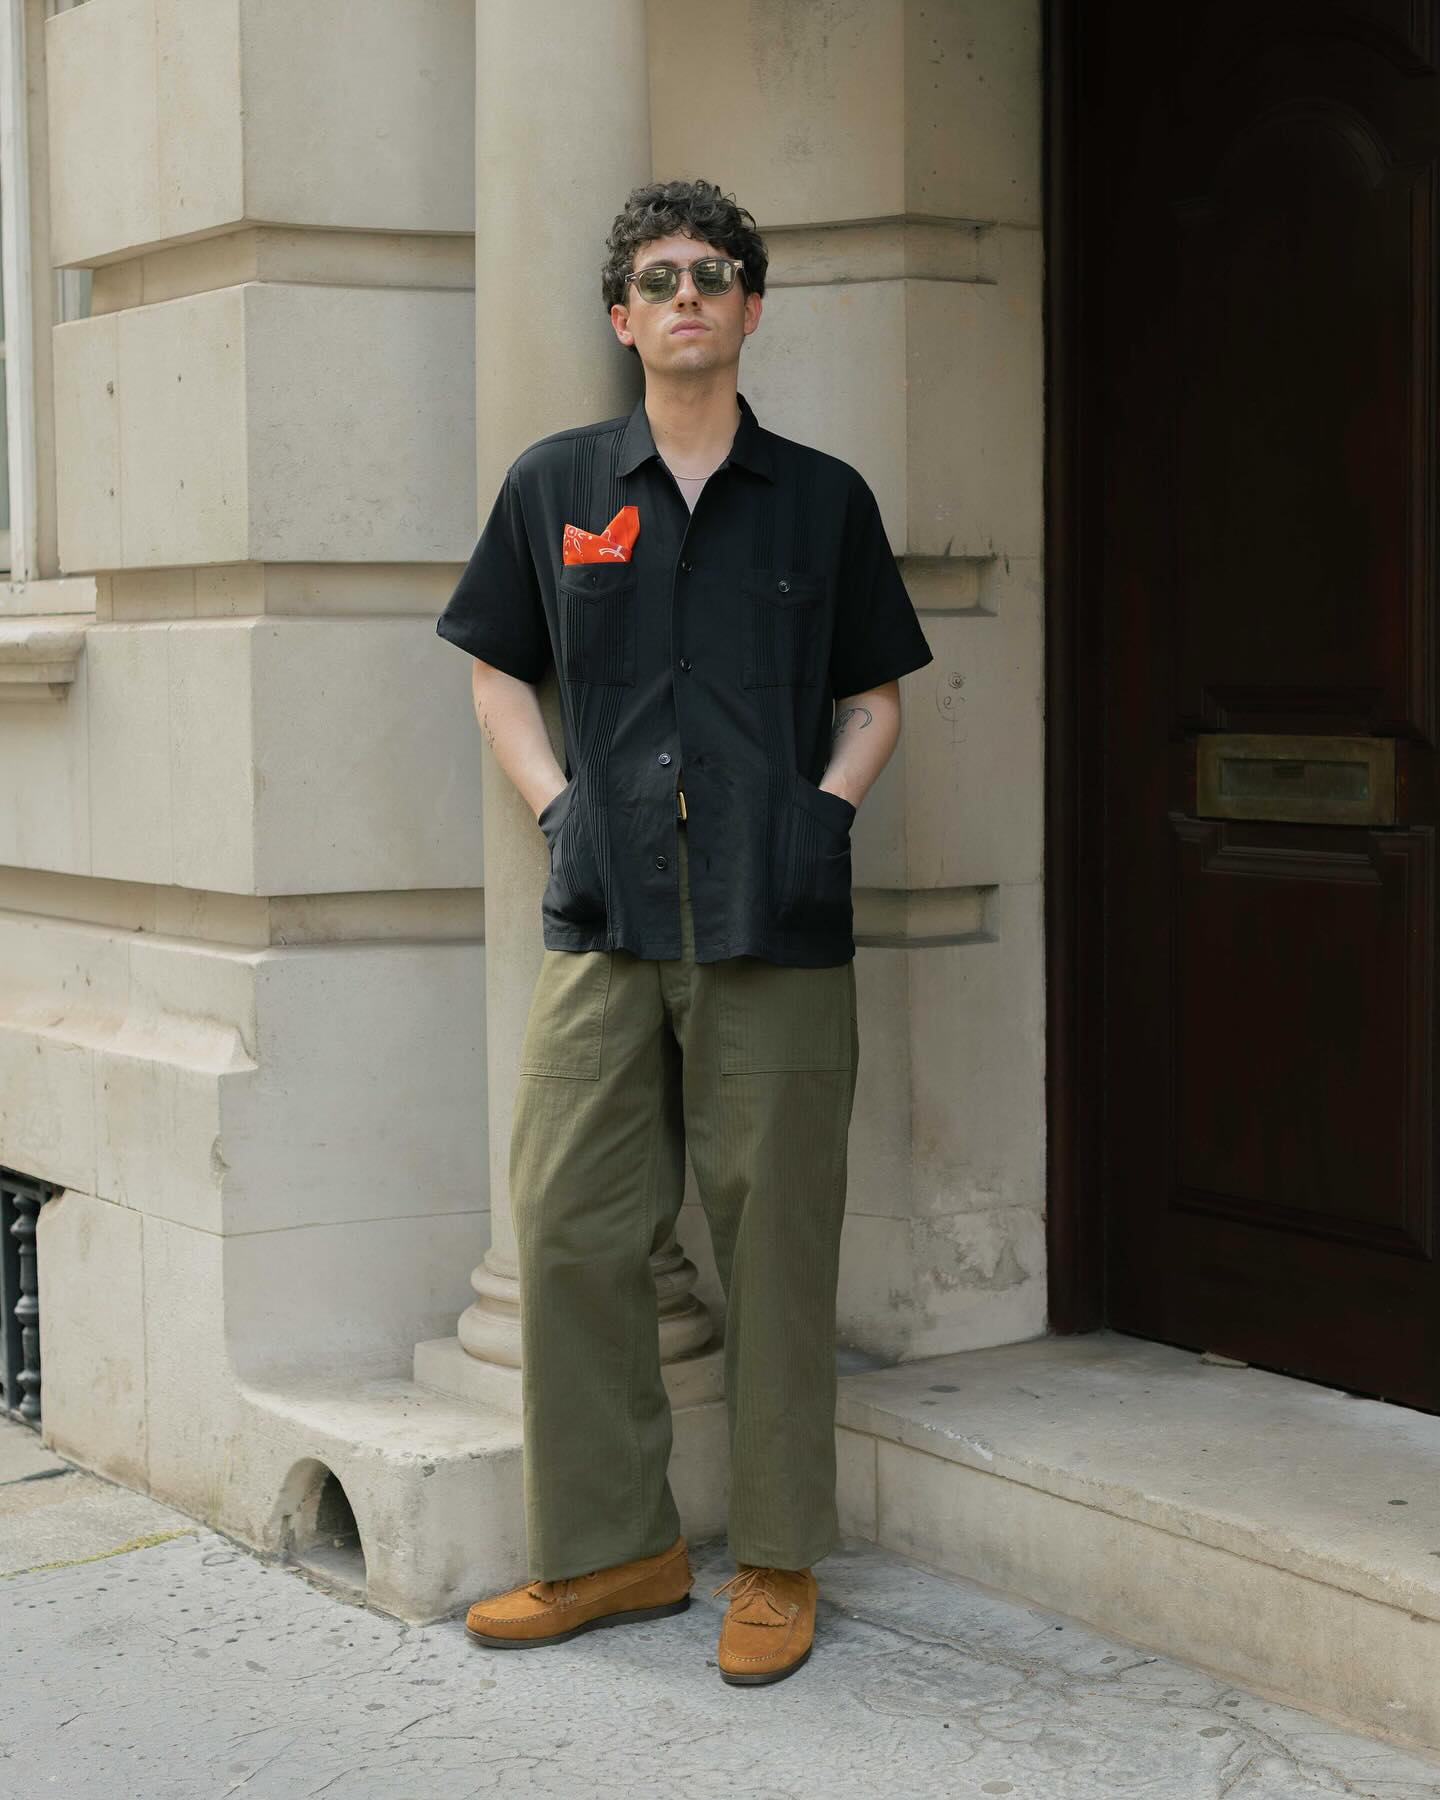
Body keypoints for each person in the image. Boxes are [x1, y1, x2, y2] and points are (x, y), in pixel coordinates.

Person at [436, 177, 934, 1686]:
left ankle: (775, 1559)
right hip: (607, 913)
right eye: (658, 279)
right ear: (622, 317)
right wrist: (558, 810)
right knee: (569, 1223)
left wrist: (822, 817)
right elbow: (496, 670)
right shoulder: (557, 486)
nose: (687, 297)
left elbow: (874, 698)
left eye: (713, 274)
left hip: (774, 918)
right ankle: (615, 1551)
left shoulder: (824, 501)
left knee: (775, 1239)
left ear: (752, 307)